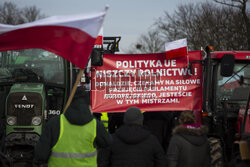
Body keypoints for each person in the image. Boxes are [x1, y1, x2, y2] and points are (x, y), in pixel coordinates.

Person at [33, 86, 113, 167]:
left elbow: (41, 155)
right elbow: (108, 144)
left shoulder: (55, 123)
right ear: (89, 103)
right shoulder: (95, 125)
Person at [98, 107, 165, 167]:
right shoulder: (152, 140)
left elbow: (102, 162)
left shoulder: (112, 140)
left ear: (125, 120)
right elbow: (161, 162)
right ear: (141, 121)